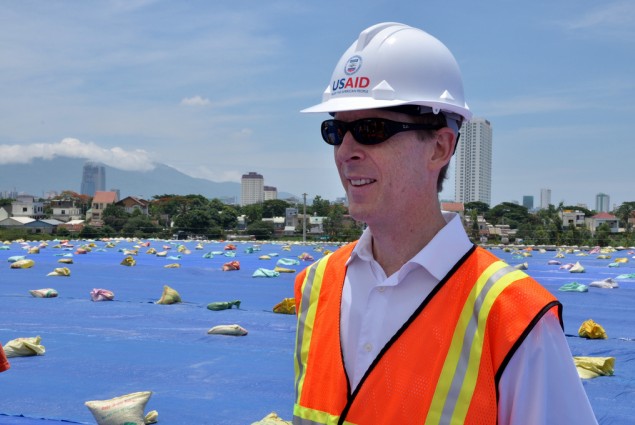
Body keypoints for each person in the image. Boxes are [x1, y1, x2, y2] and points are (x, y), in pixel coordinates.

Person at [293, 22, 597, 424]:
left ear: (440, 147)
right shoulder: (316, 287)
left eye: (370, 130)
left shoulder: (513, 317)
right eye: (335, 130)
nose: (346, 150)